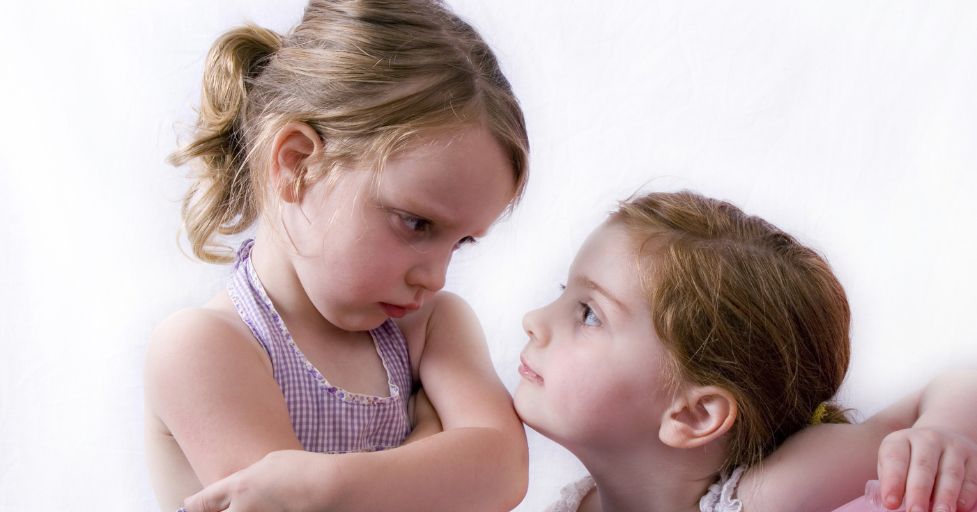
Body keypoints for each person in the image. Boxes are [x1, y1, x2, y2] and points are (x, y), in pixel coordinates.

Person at [143, 1, 530, 510]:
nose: (436, 277)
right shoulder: (205, 348)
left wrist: (325, 486)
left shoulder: (432, 326)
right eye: (416, 223)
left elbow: (504, 471)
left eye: (460, 243)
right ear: (299, 164)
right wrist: (432, 444)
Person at [516, 190, 977, 512]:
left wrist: (941, 431)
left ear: (695, 414)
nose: (533, 321)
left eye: (588, 314)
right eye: (563, 291)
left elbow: (961, 380)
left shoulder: (769, 495)